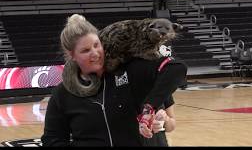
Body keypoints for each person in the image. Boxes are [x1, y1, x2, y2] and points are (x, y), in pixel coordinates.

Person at [41, 14, 187, 147]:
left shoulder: (134, 69)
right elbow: (52, 140)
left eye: (96, 45)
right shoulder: (63, 94)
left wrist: (157, 115)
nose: (95, 53)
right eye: (85, 51)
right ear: (72, 55)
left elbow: (177, 69)